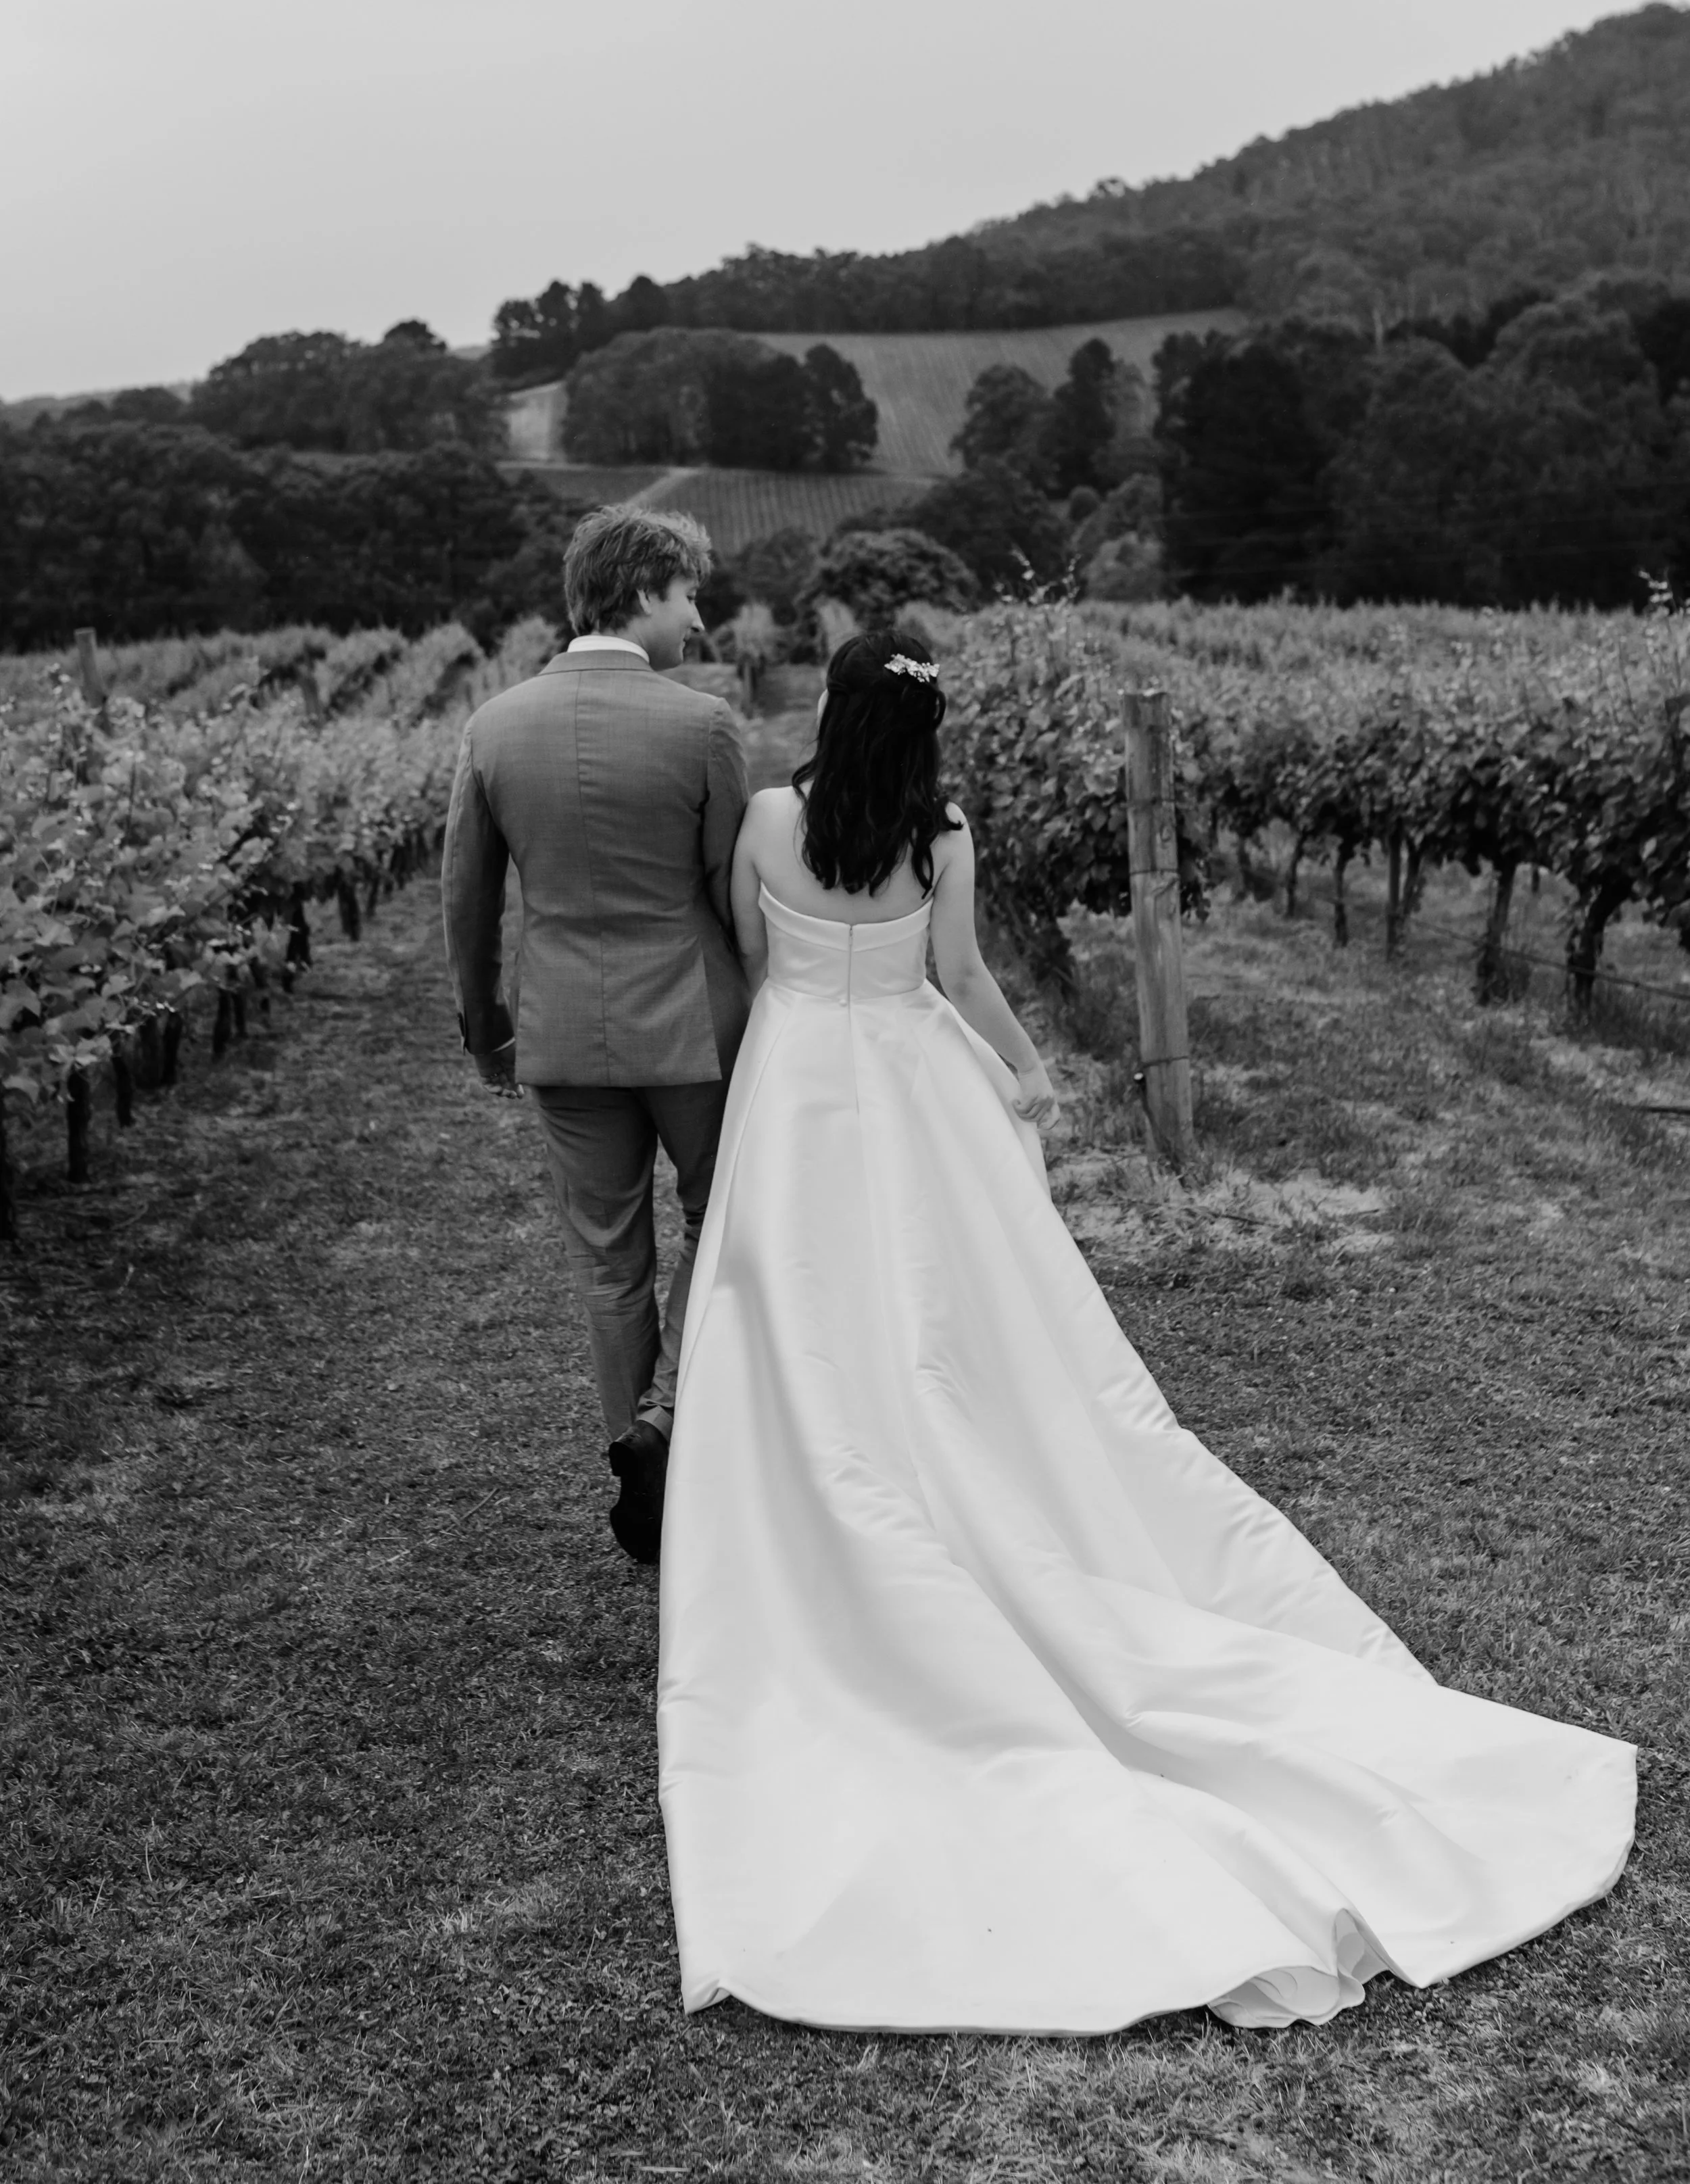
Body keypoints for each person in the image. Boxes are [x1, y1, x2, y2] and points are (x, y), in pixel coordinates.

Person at [656, 627, 1635, 2035]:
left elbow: (757, 962)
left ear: (828, 708)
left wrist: (813, 1007)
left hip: (796, 1081)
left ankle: (813, 1509)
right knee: (954, 1314)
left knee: (793, 1313)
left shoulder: (760, 819)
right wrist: (1029, 1077)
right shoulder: (940, 833)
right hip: (911, 1084)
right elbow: (956, 979)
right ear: (921, 731)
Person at [441, 504, 749, 1564]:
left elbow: (467, 904)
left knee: (609, 1259)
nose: (698, 617)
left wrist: (489, 1030)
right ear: (644, 589)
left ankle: (633, 1449)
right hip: (697, 1029)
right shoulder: (701, 725)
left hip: (562, 1030)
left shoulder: (493, 726)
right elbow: (729, 891)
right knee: (721, 1223)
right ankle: (675, 1419)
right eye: (689, 593)